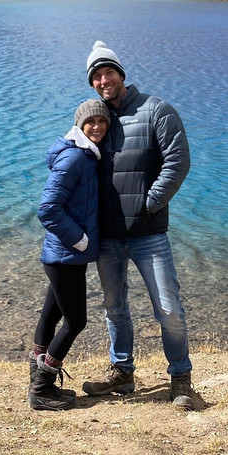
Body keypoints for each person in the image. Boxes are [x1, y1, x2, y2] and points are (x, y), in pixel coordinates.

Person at [80, 41, 200, 409]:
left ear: (121, 74)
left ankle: (180, 379)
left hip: (149, 234)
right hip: (109, 236)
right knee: (114, 308)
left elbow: (177, 161)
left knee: (169, 309)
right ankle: (122, 372)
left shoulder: (156, 110)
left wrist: (150, 203)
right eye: (96, 76)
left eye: (108, 72)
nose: (103, 80)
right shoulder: (96, 119)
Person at [28, 98, 110, 411]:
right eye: (91, 122)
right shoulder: (75, 158)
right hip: (65, 254)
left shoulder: (87, 154)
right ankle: (42, 388)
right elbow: (47, 210)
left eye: (103, 122)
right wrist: (79, 239)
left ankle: (38, 381)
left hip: (61, 256)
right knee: (76, 321)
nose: (98, 127)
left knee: (51, 314)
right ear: (79, 125)